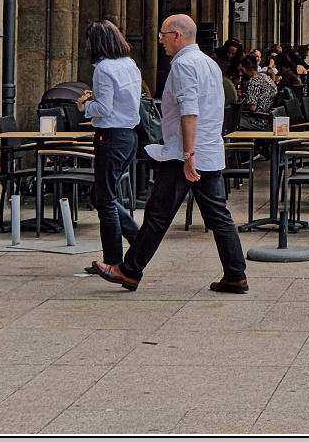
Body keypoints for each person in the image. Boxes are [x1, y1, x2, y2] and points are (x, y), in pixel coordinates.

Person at [91, 15, 246, 294]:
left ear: (177, 35)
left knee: (157, 215)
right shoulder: (209, 63)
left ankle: (129, 271)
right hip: (208, 151)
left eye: (162, 35)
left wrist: (188, 155)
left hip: (185, 154)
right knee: (218, 216)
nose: (159, 40)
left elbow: (190, 112)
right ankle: (236, 275)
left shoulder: (184, 65)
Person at [78, 21, 144, 267]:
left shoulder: (103, 68)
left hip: (111, 137)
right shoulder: (129, 64)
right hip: (129, 136)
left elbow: (104, 109)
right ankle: (138, 239)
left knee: (104, 199)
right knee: (102, 194)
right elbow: (125, 99)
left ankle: (114, 261)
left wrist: (85, 105)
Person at [236, 53, 277, 131]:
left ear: (244, 69)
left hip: (260, 121)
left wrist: (239, 106)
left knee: (230, 119)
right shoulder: (265, 78)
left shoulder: (253, 81)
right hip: (269, 119)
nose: (240, 74)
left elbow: (252, 107)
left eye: (241, 71)